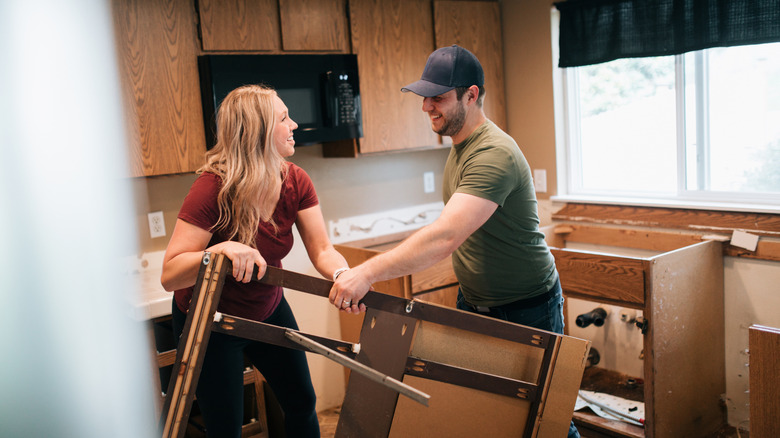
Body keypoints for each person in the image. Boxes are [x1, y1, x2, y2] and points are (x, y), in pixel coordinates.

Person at [328, 45, 580, 438]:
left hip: (527, 307)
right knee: (489, 415)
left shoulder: (494, 153)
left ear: (471, 95)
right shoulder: (461, 145)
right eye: (424, 97)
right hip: (476, 303)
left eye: (438, 97)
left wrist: (366, 273)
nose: (426, 106)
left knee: (548, 422)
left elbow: (445, 237)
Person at [161, 84, 349, 438]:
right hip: (211, 320)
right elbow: (171, 274)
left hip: (268, 308)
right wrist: (220, 250)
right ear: (257, 132)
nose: (294, 125)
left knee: (301, 403)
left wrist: (343, 274)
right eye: (284, 118)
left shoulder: (296, 180)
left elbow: (323, 250)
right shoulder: (212, 189)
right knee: (225, 428)